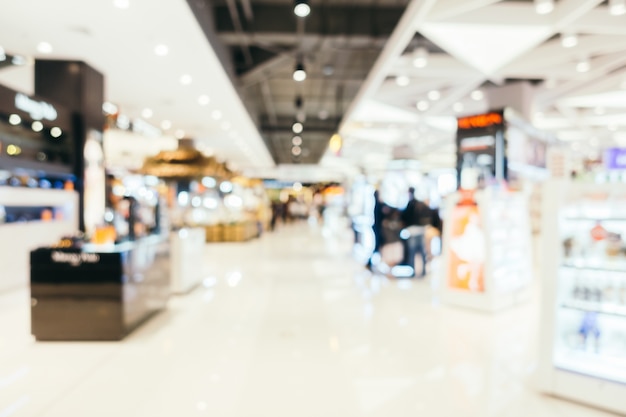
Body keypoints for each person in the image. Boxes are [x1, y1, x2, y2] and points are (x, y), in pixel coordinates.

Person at [400, 187, 431, 277]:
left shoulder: (411, 204)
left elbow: (405, 216)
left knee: (413, 252)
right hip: (420, 231)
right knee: (421, 252)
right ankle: (423, 271)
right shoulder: (419, 204)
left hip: (413, 231)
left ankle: (414, 271)